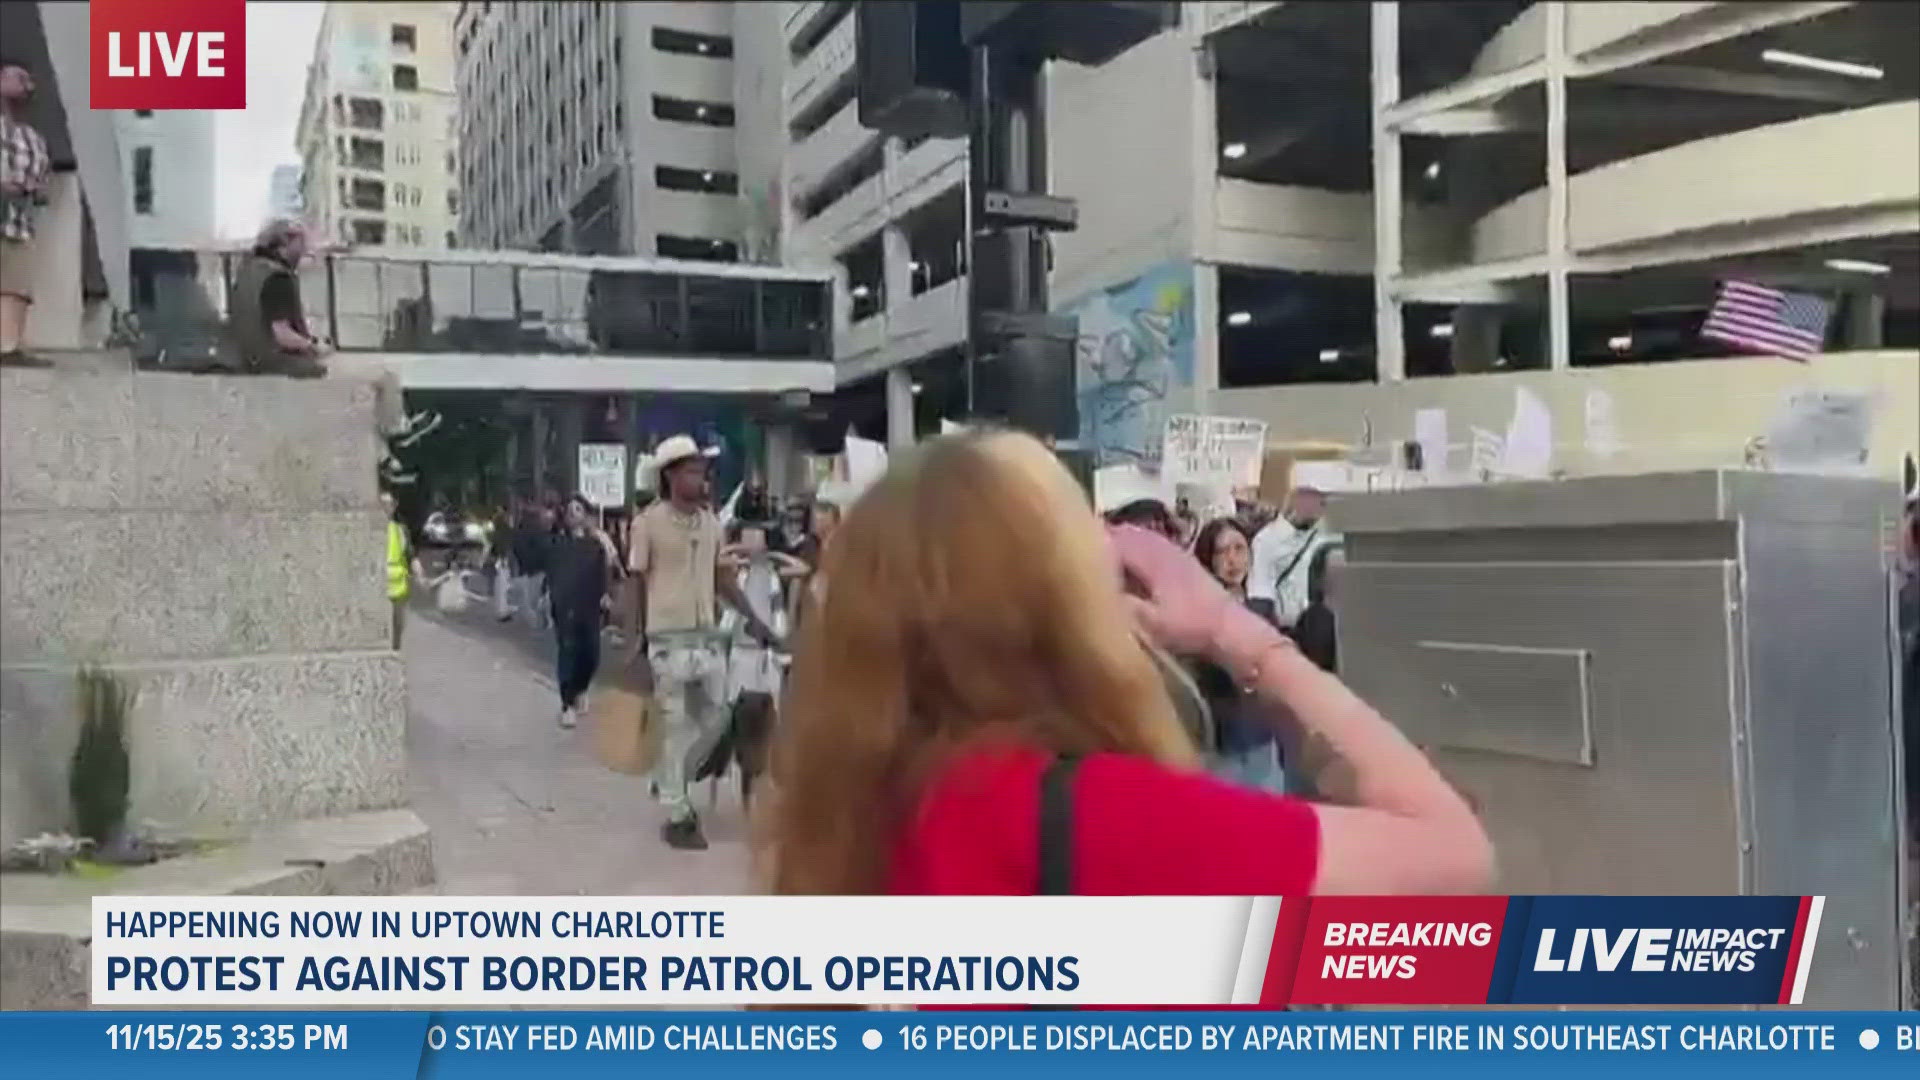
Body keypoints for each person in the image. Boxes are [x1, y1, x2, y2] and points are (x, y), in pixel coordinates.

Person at [760, 430, 1491, 912]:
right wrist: (1236, 633)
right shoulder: (1101, 817)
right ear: (1055, 601)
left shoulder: (851, 812)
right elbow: (1455, 859)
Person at [629, 435, 780, 850]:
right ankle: (679, 815)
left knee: (716, 719)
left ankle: (668, 779)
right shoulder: (648, 523)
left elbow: (722, 579)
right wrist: (634, 639)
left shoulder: (712, 523)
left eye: (703, 471)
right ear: (671, 476)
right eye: (693, 471)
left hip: (707, 639)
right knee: (675, 725)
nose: (701, 478)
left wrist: (755, 620)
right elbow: (636, 581)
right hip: (666, 639)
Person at [220, 218, 435, 483]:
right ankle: (397, 430)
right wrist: (314, 346)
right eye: (302, 245)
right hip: (287, 365)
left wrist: (333, 251)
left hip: (252, 361)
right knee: (384, 376)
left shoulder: (248, 272)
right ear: (285, 244)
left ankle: (384, 460)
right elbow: (282, 334)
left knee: (357, 403)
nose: (306, 251)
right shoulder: (279, 280)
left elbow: (303, 268)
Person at [1189, 519, 1287, 794]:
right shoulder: (1197, 613)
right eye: (1222, 552)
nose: (1233, 560)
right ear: (1208, 559)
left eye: (1239, 549)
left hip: (1263, 738)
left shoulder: (1262, 608)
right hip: (1221, 743)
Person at [547, 494, 619, 730]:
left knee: (591, 654)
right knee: (568, 652)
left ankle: (581, 688)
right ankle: (567, 705)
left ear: (586, 514)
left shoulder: (596, 544)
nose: (573, 514)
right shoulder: (558, 543)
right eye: (570, 510)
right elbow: (552, 573)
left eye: (578, 509)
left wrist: (606, 595)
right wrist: (551, 596)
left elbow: (606, 570)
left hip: (589, 606)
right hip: (565, 606)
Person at [0, 59, 52, 369]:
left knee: (17, 284)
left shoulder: (34, 139)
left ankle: (9, 348)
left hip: (18, 221)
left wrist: (30, 190)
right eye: (18, 78)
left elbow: (44, 188)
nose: (26, 86)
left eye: (28, 81)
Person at [1250, 480, 1338, 627]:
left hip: (1323, 626)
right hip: (1285, 629)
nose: (1320, 504)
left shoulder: (1327, 536)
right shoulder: (1267, 539)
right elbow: (1261, 592)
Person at [381, 490, 424, 650]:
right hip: (375, 590)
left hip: (398, 590)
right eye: (381, 504)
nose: (384, 508)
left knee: (397, 629)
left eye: (388, 504)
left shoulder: (399, 530)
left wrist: (419, 574)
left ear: (393, 507)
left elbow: (410, 555)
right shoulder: (367, 531)